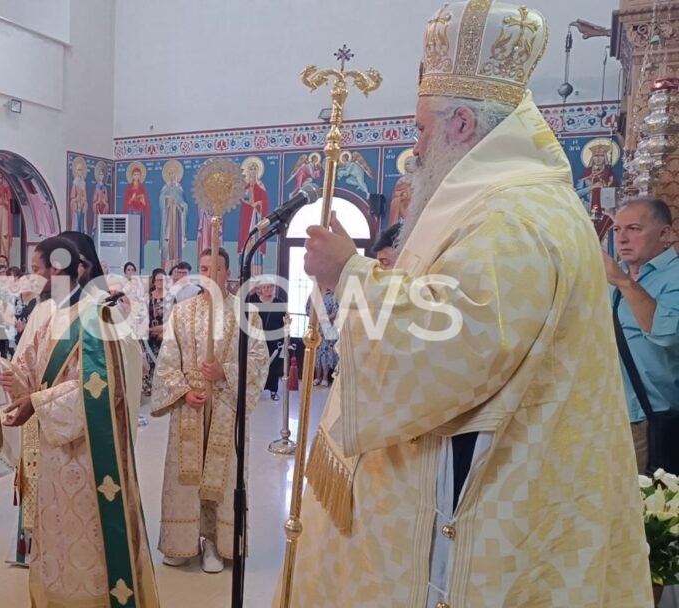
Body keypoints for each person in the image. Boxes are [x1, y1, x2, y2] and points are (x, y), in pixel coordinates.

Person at [287, 3, 651, 605]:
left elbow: (452, 346)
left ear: (461, 124)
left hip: (496, 501)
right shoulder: (512, 199)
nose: (416, 147)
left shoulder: (513, 215)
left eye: (421, 129)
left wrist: (349, 273)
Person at [0, 237, 159, 607]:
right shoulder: (51, 314)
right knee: (56, 535)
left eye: (36, 269)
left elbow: (98, 388)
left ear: (57, 268)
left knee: (86, 537)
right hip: (54, 451)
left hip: (88, 454)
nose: (31, 278)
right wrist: (8, 377)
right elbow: (34, 373)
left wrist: (35, 402)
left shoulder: (97, 315)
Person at [151, 248, 268, 573]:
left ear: (227, 273)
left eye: (215, 268)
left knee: (222, 476)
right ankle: (182, 541)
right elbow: (167, 360)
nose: (208, 274)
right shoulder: (181, 312)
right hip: (190, 406)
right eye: (203, 268)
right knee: (186, 476)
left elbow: (259, 360)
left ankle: (216, 542)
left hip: (227, 405)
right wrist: (183, 390)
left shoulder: (247, 314)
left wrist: (225, 371)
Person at [604, 197, 679, 474]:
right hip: (614, 414)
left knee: (653, 497)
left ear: (665, 234)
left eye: (634, 229)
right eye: (617, 230)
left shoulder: (673, 277)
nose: (622, 239)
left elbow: (667, 334)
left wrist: (623, 282)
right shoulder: (614, 278)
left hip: (655, 418)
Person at [247, 281, 287, 400]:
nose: (267, 289)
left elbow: (285, 320)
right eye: (264, 287)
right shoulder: (254, 303)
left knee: (273, 366)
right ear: (260, 289)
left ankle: (273, 391)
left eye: (269, 287)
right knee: (257, 365)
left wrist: (284, 337)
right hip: (258, 340)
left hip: (275, 339)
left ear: (273, 288)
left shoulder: (279, 302)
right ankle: (257, 390)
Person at [143, 268, 167, 397]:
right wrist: (148, 329)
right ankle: (148, 387)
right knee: (148, 362)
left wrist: (158, 329)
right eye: (158, 280)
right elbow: (141, 315)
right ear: (153, 281)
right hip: (148, 336)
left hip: (164, 335)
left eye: (162, 280)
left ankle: (161, 388)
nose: (160, 282)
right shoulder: (147, 297)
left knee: (162, 363)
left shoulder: (170, 298)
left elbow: (172, 319)